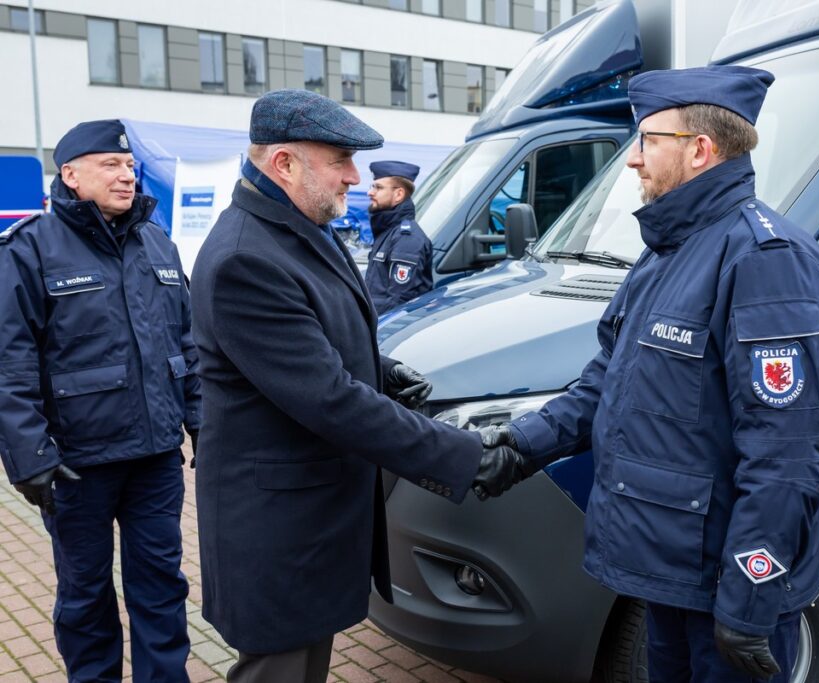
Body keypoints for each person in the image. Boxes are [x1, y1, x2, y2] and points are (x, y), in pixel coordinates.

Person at [481, 67, 819, 682]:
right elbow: (607, 382)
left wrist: (750, 600)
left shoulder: (763, 260)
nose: (633, 160)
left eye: (647, 140)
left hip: (723, 590)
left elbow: (790, 450)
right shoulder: (665, 254)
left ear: (699, 149)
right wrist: (520, 445)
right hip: (669, 572)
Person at [189, 89, 524, 683]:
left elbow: (320, 336)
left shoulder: (293, 227)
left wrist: (381, 369)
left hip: (306, 525)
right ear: (284, 163)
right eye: (340, 158)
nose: (354, 176)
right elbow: (329, 400)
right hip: (278, 534)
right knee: (281, 670)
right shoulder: (247, 257)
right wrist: (466, 457)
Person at [0, 119, 199, 682]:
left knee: (162, 586)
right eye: (110, 165)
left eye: (130, 166)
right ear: (71, 174)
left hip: (156, 458)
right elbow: (9, 362)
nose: (126, 175)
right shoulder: (29, 250)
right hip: (76, 464)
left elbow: (187, 342)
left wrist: (202, 422)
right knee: (85, 595)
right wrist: (28, 456)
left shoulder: (156, 242)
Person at [363, 160, 433, 314]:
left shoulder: (406, 238)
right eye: (372, 186)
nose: (370, 192)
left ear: (398, 194)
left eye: (378, 187)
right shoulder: (387, 231)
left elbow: (399, 303)